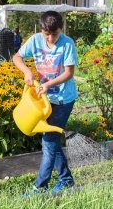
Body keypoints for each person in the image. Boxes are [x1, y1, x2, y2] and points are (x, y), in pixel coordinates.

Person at [13, 11, 78, 195]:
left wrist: (48, 84)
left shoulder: (67, 44)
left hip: (63, 100)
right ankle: (66, 180)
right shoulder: (35, 40)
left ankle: (39, 187)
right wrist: (26, 71)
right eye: (46, 34)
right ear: (41, 30)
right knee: (52, 142)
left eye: (54, 34)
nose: (50, 38)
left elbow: (68, 73)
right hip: (44, 100)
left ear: (61, 29)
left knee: (49, 142)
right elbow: (17, 57)